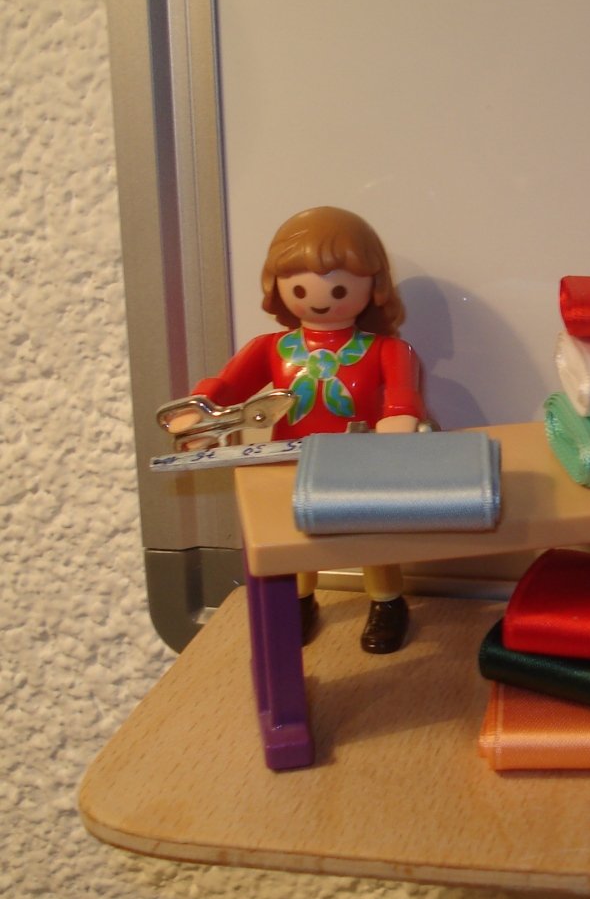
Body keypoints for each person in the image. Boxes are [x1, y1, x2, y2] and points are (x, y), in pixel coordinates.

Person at [165, 206, 425, 653]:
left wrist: (398, 419)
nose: (321, 299)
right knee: (295, 532)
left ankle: (386, 601)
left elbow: (402, 394)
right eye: (300, 287)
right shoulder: (272, 348)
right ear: (278, 287)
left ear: (374, 285)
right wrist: (202, 413)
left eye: (339, 287)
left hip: (357, 462)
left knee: (369, 533)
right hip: (290, 460)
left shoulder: (386, 349)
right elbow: (227, 385)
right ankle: (301, 599)